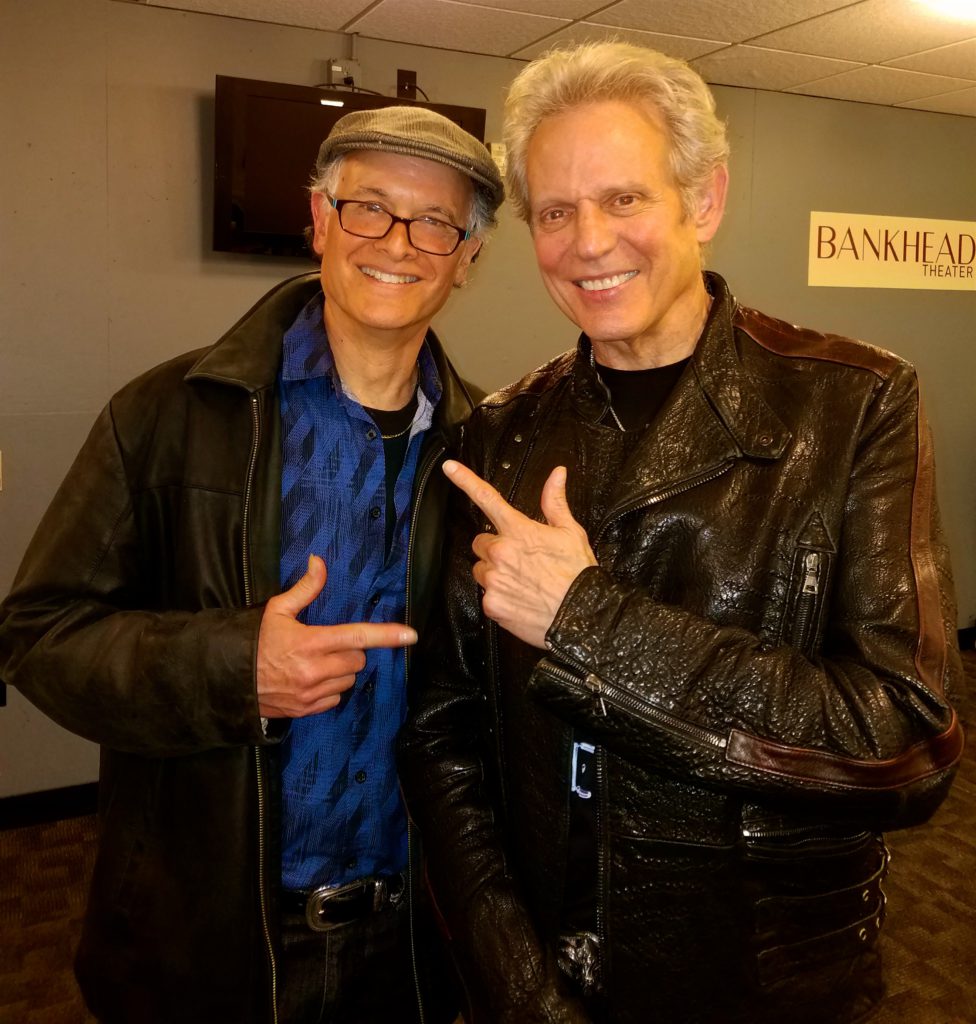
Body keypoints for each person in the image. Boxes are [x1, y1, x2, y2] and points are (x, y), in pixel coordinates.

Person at [399, 42, 964, 1024]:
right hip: (541, 971)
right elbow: (445, 737)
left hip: (766, 978)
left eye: (622, 200)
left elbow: (905, 745)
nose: (586, 244)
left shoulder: (853, 405)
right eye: (558, 212)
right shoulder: (498, 432)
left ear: (701, 202)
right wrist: (514, 985)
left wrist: (588, 621)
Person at [0, 105, 503, 1023]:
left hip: (413, 946)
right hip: (212, 937)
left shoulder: (486, 455)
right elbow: (37, 635)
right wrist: (236, 667)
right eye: (368, 208)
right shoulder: (167, 413)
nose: (399, 240)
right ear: (318, 219)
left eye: (436, 222)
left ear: (466, 257)